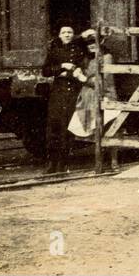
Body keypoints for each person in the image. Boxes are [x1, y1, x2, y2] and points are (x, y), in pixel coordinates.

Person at [40, 25, 91, 174]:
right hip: (58, 93)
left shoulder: (80, 51)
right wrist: (62, 66)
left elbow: (82, 71)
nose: (67, 35)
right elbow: (45, 71)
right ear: (60, 35)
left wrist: (66, 74)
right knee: (53, 127)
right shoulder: (55, 50)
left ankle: (63, 163)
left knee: (66, 128)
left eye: (70, 32)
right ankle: (51, 163)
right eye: (64, 32)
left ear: (73, 35)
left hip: (73, 93)